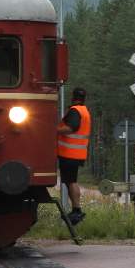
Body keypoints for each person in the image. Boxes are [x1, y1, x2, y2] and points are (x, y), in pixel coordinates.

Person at [57, 87, 91, 225]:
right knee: (70, 180)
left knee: (71, 181)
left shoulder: (75, 111)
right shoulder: (85, 111)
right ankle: (76, 209)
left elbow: (71, 128)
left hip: (69, 153)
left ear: (73, 97)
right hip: (76, 153)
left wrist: (55, 130)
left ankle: (77, 210)